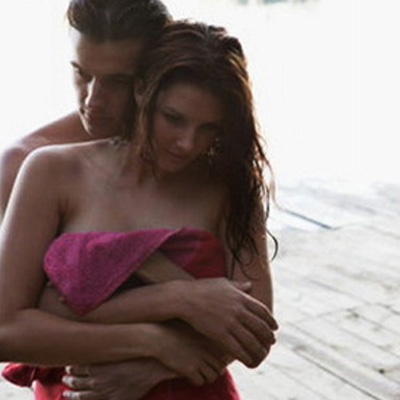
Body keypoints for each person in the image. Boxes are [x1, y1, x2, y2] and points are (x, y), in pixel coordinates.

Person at [0, 19, 277, 400]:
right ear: (142, 90)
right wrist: (169, 321)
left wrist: (152, 369)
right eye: (173, 118)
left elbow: (255, 339)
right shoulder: (51, 171)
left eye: (209, 128)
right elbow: (5, 332)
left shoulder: (229, 187)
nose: (187, 143)